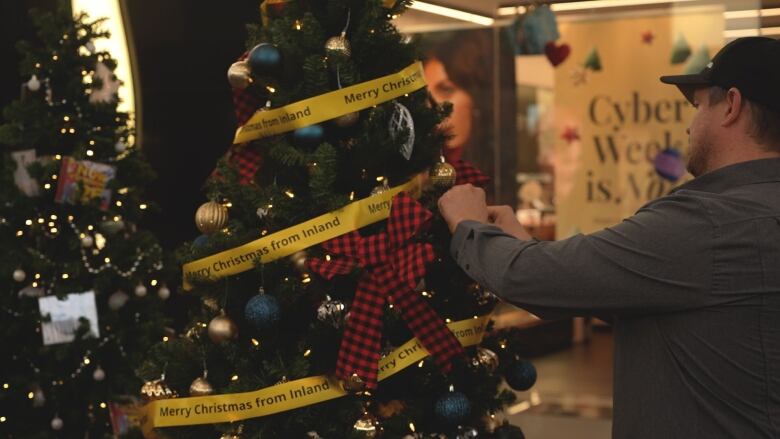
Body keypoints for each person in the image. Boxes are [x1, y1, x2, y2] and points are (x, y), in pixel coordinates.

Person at [438, 37, 780, 439]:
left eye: (699, 105)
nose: (689, 124)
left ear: (732, 105)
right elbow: (657, 296)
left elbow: (533, 280)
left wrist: (467, 225)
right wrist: (525, 244)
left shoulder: (707, 222)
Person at [421, 29, 517, 204]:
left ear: (477, 97)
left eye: (446, 90)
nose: (432, 106)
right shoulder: (423, 168)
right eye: (426, 96)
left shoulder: (498, 169)